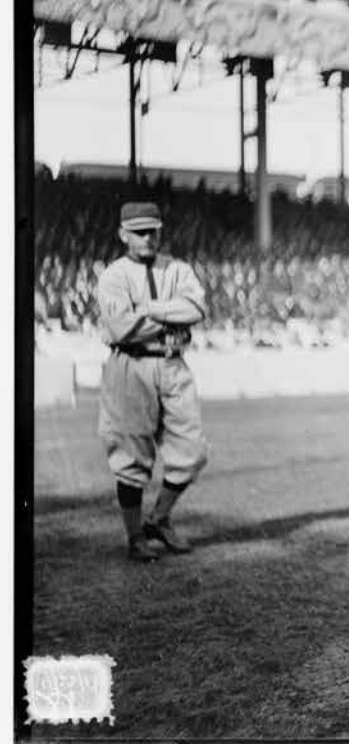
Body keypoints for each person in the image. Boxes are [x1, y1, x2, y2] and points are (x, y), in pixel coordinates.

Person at [96, 201, 210, 561]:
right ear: (123, 235)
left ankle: (159, 518)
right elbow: (120, 328)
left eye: (153, 230)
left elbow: (197, 309)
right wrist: (171, 315)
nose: (148, 238)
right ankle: (135, 538)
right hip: (131, 366)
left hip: (174, 365)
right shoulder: (114, 275)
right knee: (131, 455)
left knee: (192, 451)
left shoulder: (177, 269)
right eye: (140, 231)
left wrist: (148, 309)